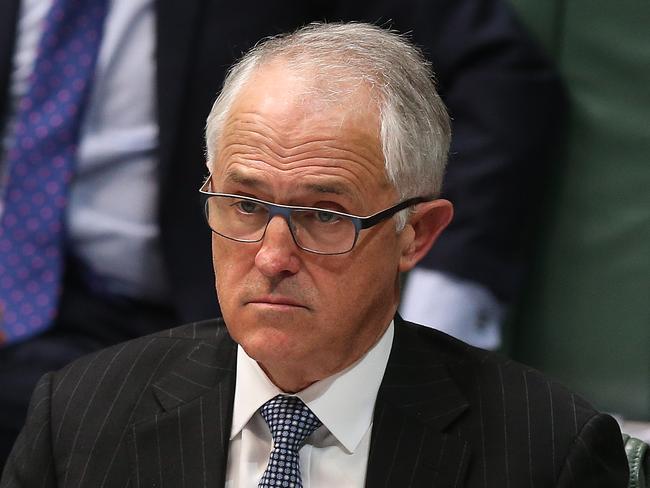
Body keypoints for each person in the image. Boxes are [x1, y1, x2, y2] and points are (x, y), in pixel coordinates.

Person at [1, 23, 625, 487]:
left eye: (325, 216)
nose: (272, 256)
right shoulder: (78, 417)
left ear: (418, 233)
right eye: (244, 205)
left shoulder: (547, 453)